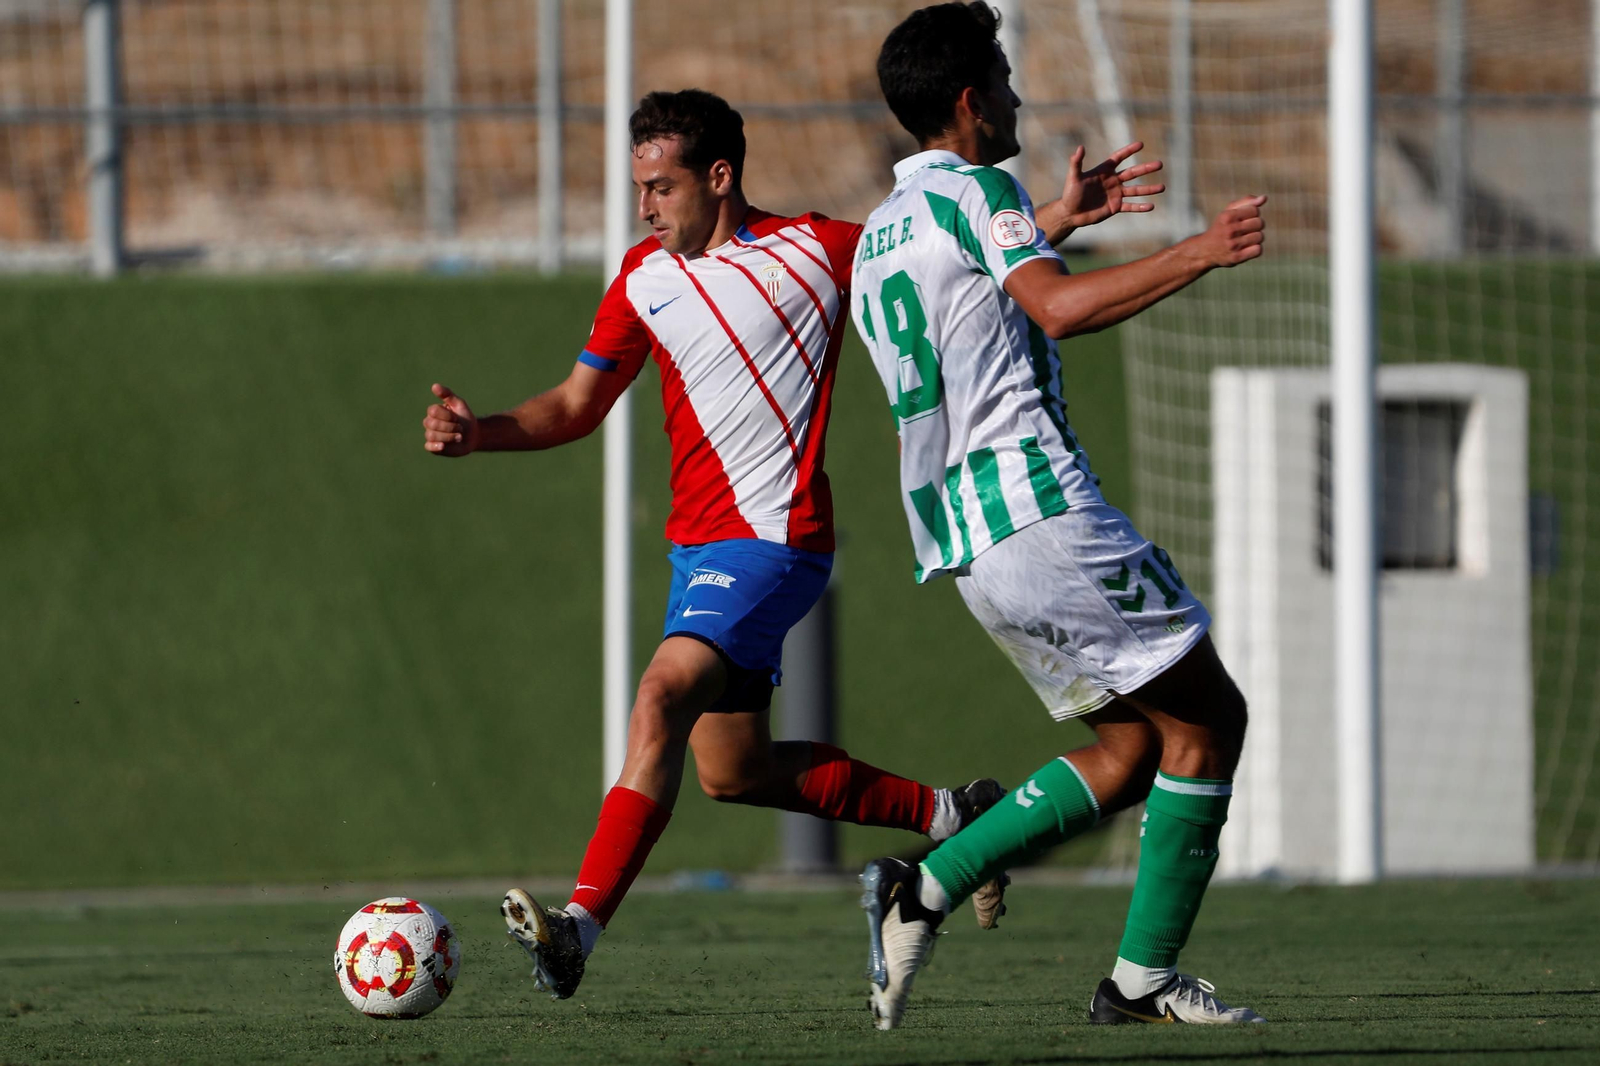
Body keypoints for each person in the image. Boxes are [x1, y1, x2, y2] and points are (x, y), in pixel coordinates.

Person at [420, 88, 1012, 1002]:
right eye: (638, 189)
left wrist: (1046, 218)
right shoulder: (639, 277)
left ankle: (577, 930)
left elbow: (929, 253)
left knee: (658, 697)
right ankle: (957, 815)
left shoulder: (816, 249)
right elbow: (576, 406)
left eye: (660, 186)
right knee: (732, 772)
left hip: (775, 542)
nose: (645, 206)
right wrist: (481, 432)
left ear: (720, 176)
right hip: (697, 557)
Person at [850, 2, 1270, 1029]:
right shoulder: (980, 191)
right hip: (1040, 514)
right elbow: (1057, 309)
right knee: (1211, 720)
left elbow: (968, 293)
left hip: (970, 548)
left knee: (1130, 751)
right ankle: (1139, 983)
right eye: (1000, 74)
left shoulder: (880, 232)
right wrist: (1197, 252)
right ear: (967, 100)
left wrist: (1053, 222)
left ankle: (927, 886)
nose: (1016, 92)